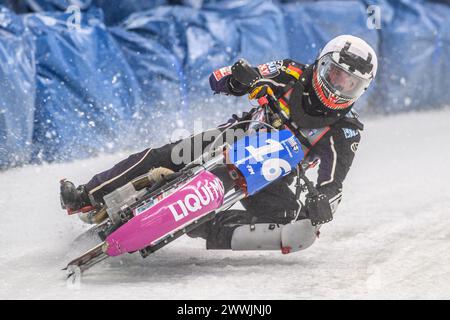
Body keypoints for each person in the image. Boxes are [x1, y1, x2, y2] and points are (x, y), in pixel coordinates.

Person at [60, 35, 377, 254]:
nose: (338, 89)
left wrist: (321, 206)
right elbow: (219, 78)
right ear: (322, 64)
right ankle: (88, 194)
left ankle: (198, 222)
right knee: (172, 152)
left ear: (360, 90)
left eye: (350, 84)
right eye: (336, 76)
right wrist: (241, 78)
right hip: (239, 133)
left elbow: (334, 184)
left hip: (278, 172)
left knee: (288, 226)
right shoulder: (290, 72)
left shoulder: (346, 129)